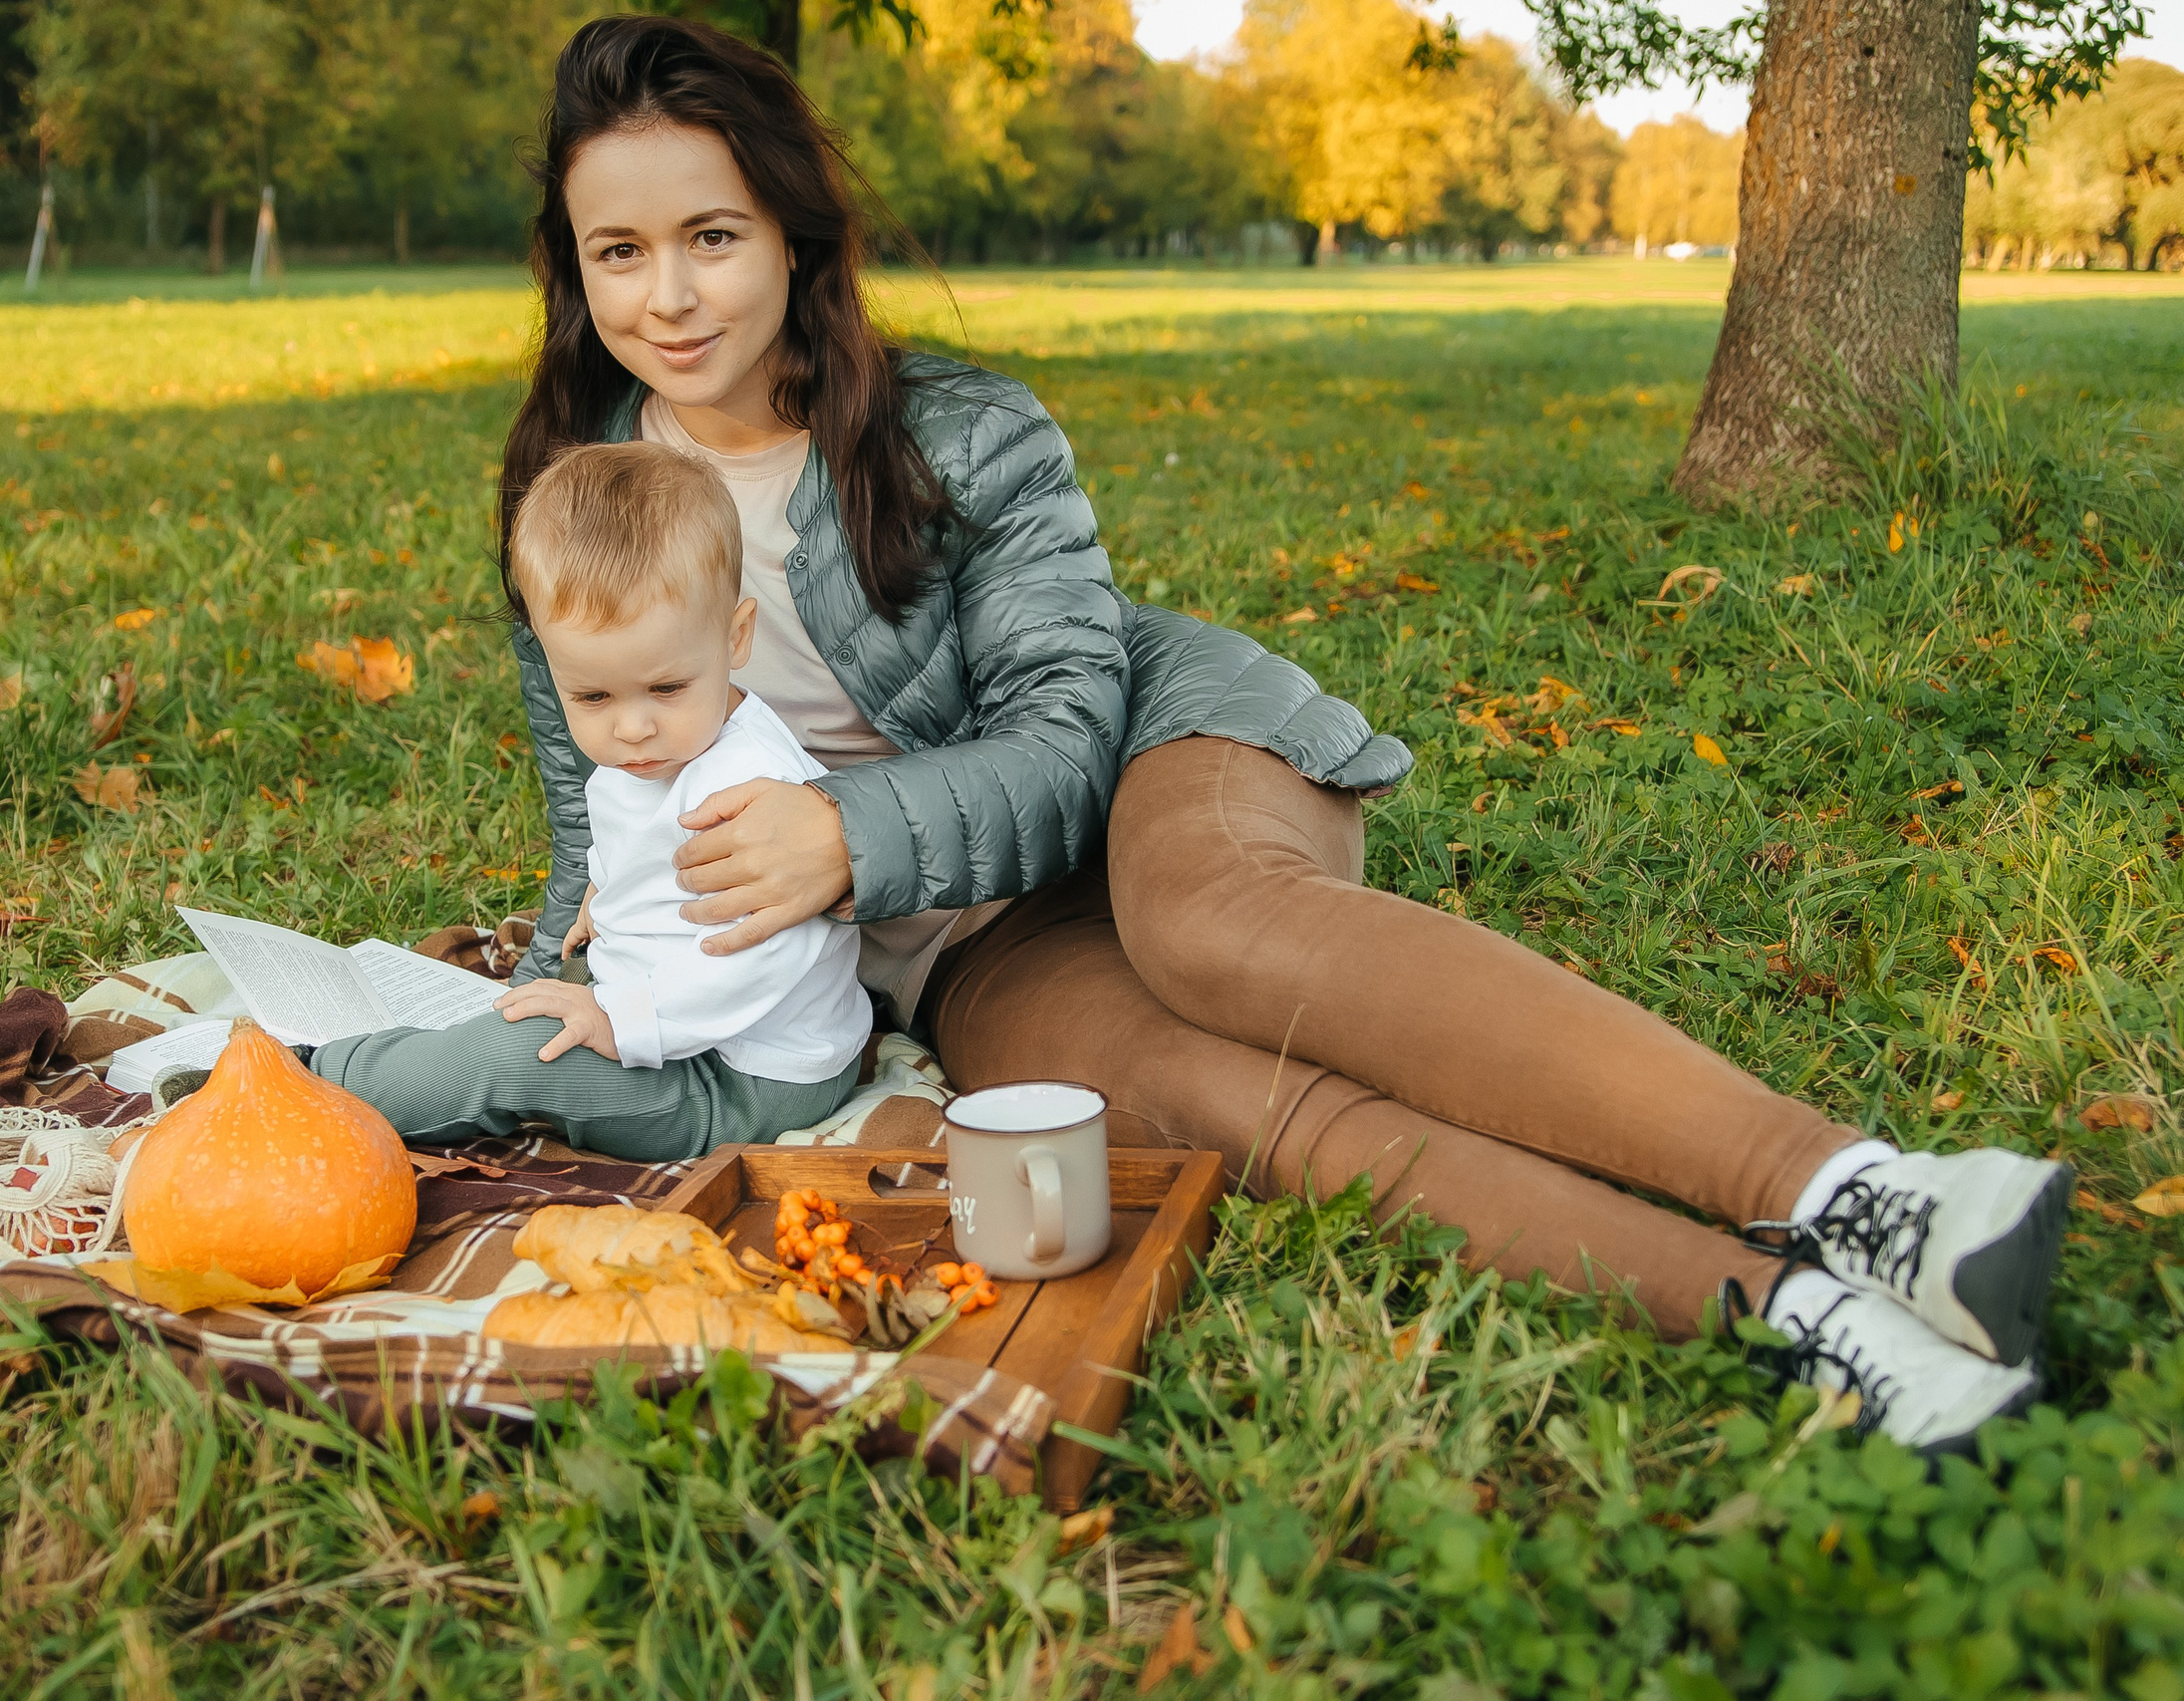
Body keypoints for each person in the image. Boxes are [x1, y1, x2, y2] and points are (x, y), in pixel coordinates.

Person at [487, 14, 2071, 1454]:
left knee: (1206, 930)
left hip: (1151, 759)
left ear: (791, 235)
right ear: (573, 263)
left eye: (711, 235)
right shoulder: (576, 499)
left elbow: (1058, 737)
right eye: (619, 250)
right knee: (1209, 1093)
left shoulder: (961, 428)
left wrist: (843, 836)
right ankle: (1803, 1317)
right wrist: (571, 972)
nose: (669, 295)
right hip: (950, 949)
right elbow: (598, 804)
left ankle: (1862, 1195)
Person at [309, 441, 872, 1161]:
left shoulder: (745, 789)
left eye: (666, 688)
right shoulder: (662, 745)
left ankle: (314, 1081)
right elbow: (630, 834)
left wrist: (621, 1016)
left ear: (735, 636)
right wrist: (603, 893)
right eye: (593, 695)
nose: (632, 726)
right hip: (672, 1010)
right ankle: (402, 1073)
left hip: (746, 1076)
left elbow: (765, 957)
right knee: (528, 1003)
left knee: (525, 1049)